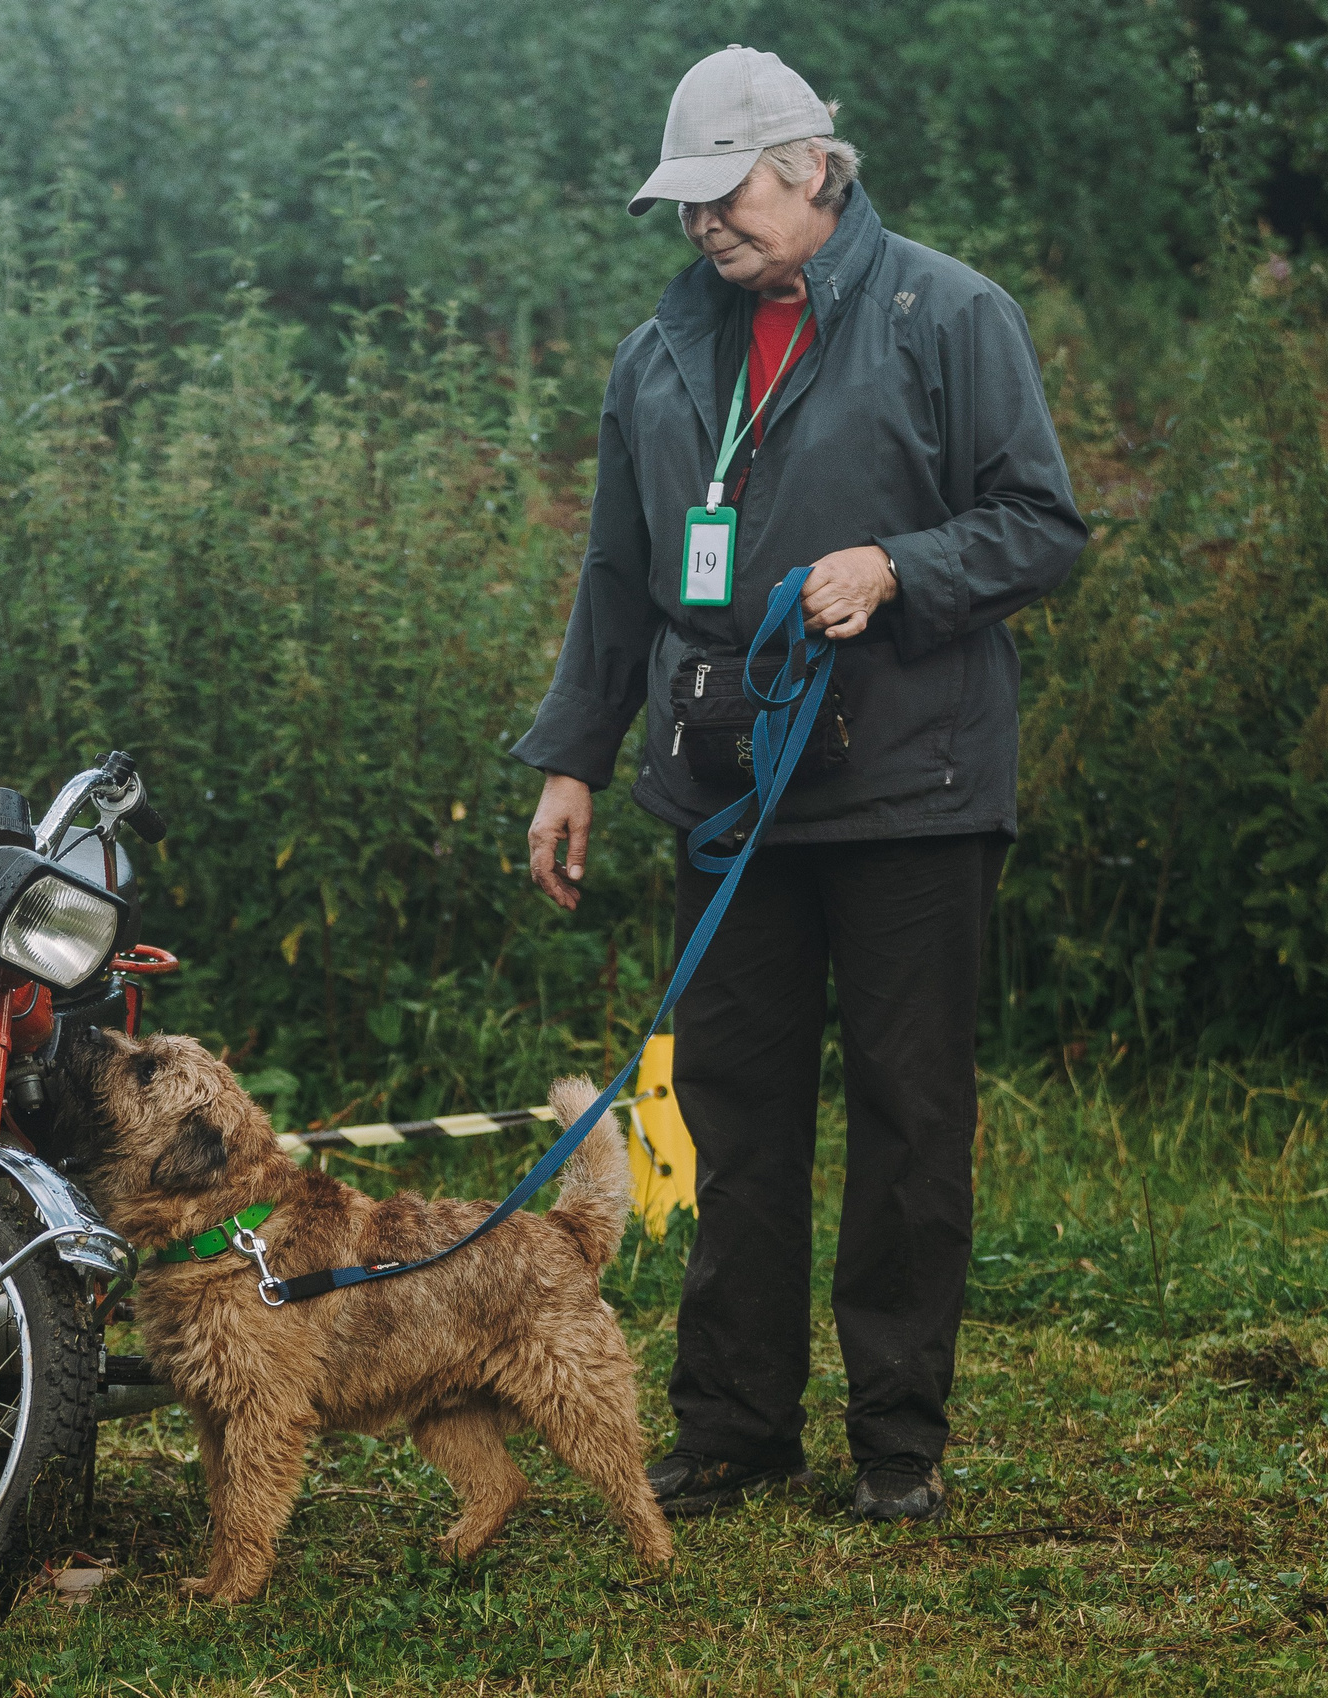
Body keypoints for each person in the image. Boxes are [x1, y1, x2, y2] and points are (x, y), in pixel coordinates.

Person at [512, 45, 1084, 1523]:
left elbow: (1041, 524)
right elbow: (617, 574)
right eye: (687, 200)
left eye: (728, 192)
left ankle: (897, 1446)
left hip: (913, 791)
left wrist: (900, 566)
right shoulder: (656, 356)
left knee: (909, 1119)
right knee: (732, 1112)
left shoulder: (950, 314)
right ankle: (733, 1430)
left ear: (815, 168)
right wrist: (573, 758)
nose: (704, 221)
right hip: (725, 793)